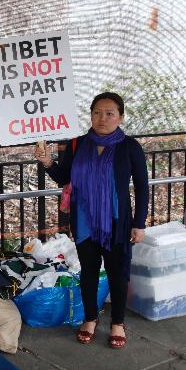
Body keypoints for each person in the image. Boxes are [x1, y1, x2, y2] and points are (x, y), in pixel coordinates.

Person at [34, 92, 148, 349]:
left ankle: (117, 322)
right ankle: (90, 318)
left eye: (109, 113)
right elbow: (64, 177)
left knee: (118, 274)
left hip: (117, 224)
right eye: (97, 112)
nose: (102, 118)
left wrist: (139, 223)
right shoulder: (77, 144)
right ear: (91, 114)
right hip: (84, 220)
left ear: (121, 116)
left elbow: (142, 187)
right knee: (88, 272)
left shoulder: (130, 147)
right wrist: (48, 162)